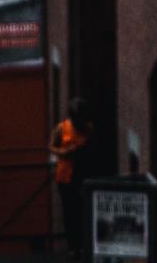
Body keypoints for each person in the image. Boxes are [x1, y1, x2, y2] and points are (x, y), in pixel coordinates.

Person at [50, 101, 93, 258]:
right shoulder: (62, 128)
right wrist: (63, 152)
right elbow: (51, 146)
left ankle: (81, 245)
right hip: (66, 176)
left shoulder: (88, 128)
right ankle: (72, 246)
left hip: (82, 174)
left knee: (81, 210)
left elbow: (93, 148)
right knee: (69, 211)